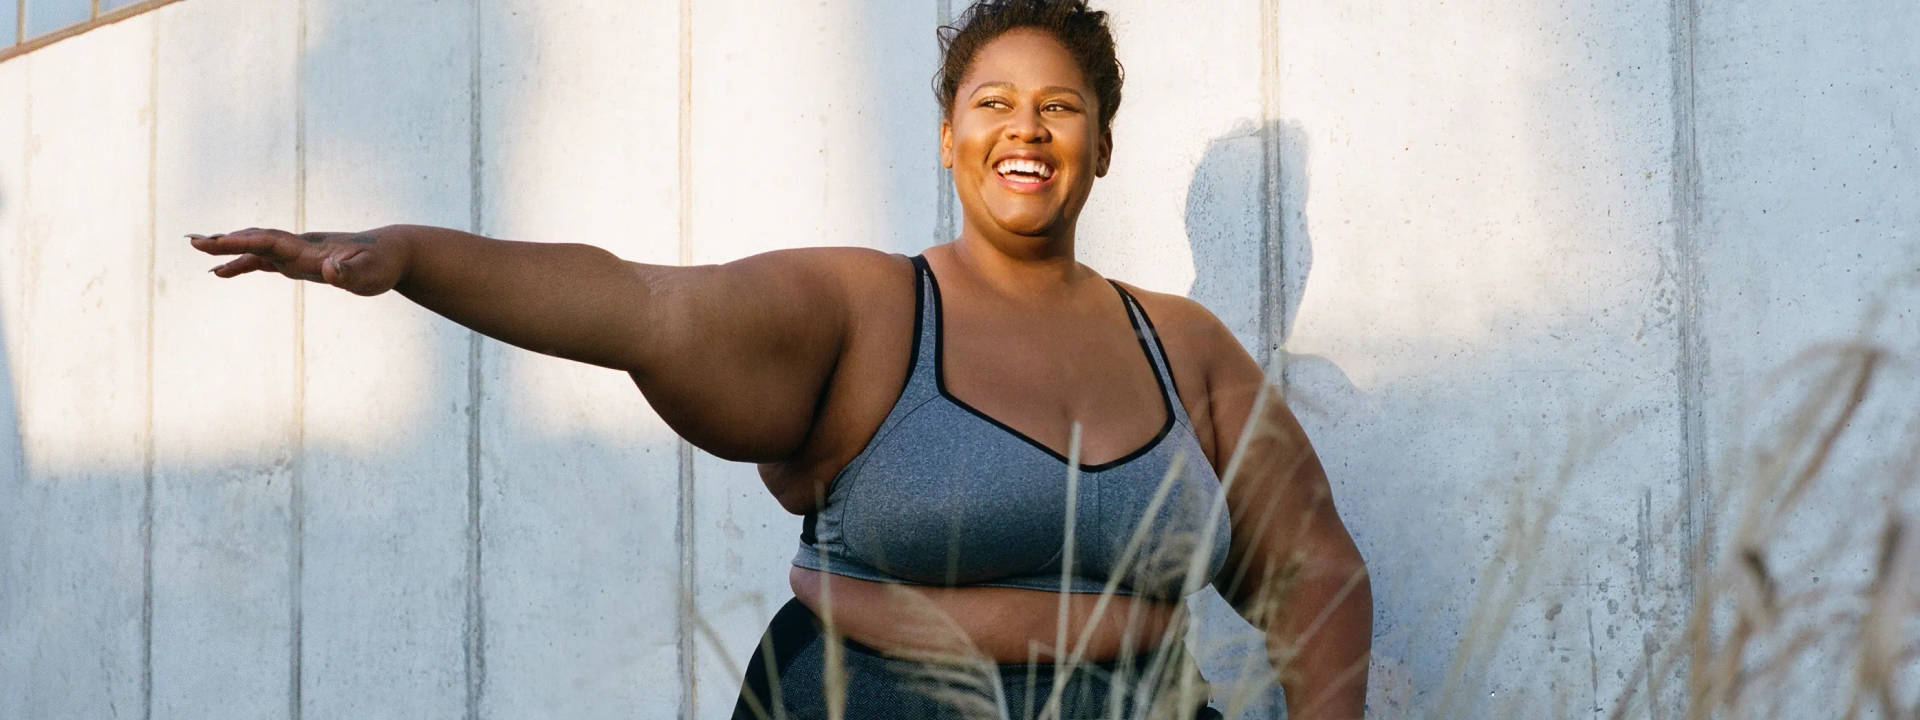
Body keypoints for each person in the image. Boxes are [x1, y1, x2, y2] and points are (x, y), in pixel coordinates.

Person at [189, 1, 1371, 717]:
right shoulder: (868, 308)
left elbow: (1314, 570)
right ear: (951, 137)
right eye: (994, 101)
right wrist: (408, 255)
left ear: (1102, 145)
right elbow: (637, 305)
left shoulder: (1186, 349)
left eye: (1060, 108)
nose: (1026, 128)